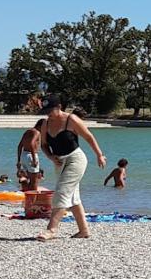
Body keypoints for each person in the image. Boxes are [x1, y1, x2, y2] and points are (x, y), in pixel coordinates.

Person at [38, 96, 106, 240]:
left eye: (51, 110)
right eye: (46, 110)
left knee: (62, 192)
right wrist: (50, 157)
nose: (48, 113)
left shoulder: (72, 119)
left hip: (76, 159)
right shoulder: (45, 123)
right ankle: (84, 231)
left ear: (59, 107)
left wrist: (99, 155)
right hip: (59, 162)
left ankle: (51, 229)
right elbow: (43, 145)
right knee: (73, 198)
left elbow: (89, 137)